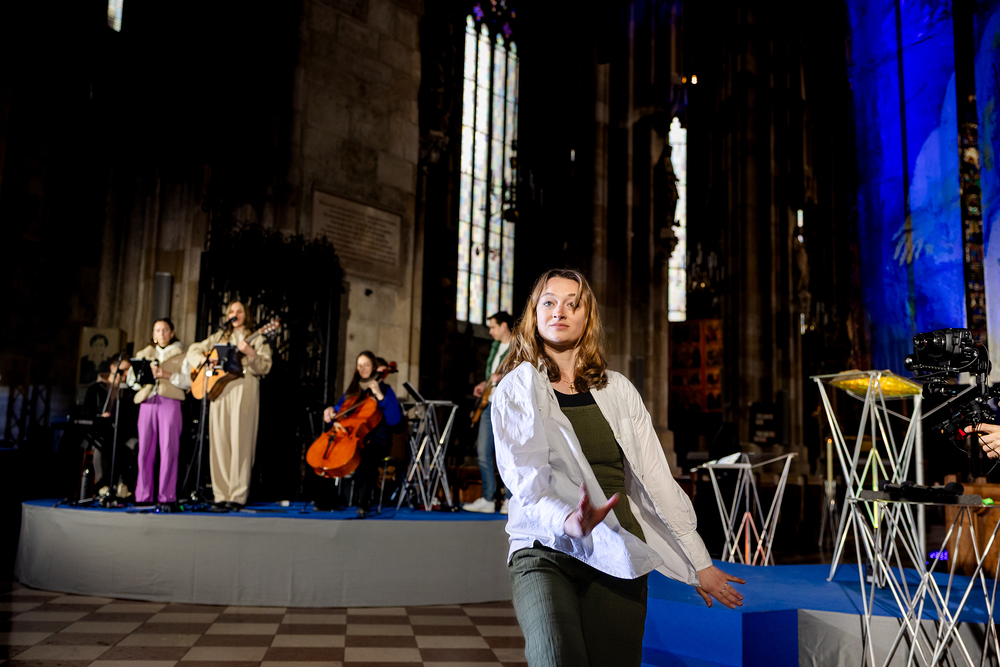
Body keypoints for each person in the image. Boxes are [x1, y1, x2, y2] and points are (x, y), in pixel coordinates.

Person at [491, 268, 745, 667]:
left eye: (573, 304)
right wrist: (568, 522)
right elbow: (527, 483)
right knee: (555, 657)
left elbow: (656, 479)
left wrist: (699, 561)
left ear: (587, 316)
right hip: (545, 548)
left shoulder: (618, 389)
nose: (560, 311)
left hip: (619, 548)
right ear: (534, 316)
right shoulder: (516, 388)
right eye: (549, 302)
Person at [186, 300, 272, 510]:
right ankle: (221, 494)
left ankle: (237, 495)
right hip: (220, 390)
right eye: (231, 311)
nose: (235, 314)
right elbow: (193, 350)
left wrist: (251, 353)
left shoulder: (257, 337)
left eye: (239, 311)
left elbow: (265, 367)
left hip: (244, 387)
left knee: (241, 441)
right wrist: (204, 360)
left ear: (246, 314)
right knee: (220, 440)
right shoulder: (219, 336)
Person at [322, 351, 402, 517]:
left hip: (377, 441)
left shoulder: (385, 390)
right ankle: (326, 498)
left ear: (373, 366)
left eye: (367, 365)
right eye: (359, 365)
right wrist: (330, 412)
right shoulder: (353, 390)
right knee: (326, 450)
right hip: (352, 437)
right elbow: (339, 411)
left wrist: (380, 396)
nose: (363, 368)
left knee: (366, 457)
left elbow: (395, 421)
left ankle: (363, 503)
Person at [126, 318, 190, 510]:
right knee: (144, 450)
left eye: (165, 330)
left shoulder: (181, 355)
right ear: (153, 334)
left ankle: (167, 495)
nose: (161, 334)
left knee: (169, 449)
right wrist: (145, 377)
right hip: (147, 401)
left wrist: (167, 375)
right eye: (157, 330)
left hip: (170, 402)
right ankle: (143, 494)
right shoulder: (144, 354)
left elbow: (188, 381)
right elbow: (131, 380)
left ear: (172, 333)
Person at [464, 311, 514, 514]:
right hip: (489, 404)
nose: (490, 331)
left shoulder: (516, 346)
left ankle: (510, 500)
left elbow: (522, 373)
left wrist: (502, 377)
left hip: (506, 407)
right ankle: (488, 498)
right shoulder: (495, 347)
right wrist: (484, 384)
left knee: (508, 454)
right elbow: (493, 376)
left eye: (493, 327)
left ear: (504, 326)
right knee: (483, 452)